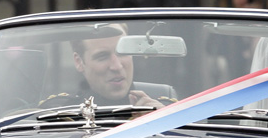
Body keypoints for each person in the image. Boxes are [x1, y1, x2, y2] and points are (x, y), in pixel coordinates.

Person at [39, 27, 177, 109]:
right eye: (102, 56)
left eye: (123, 53)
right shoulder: (57, 112)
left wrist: (165, 123)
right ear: (79, 62)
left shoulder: (163, 106)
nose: (116, 66)